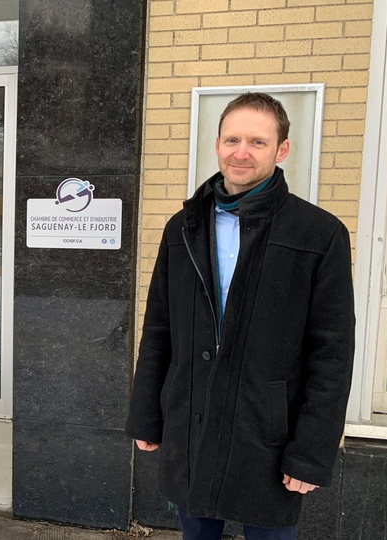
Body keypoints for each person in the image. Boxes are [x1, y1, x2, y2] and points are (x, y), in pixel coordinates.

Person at [125, 93, 355, 539]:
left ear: (281, 149)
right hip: (192, 425)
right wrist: (146, 415)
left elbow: (332, 352)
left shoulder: (319, 233)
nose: (241, 152)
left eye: (257, 141)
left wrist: (312, 452)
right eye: (232, 139)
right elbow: (158, 330)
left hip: (268, 435)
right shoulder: (183, 227)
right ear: (217, 145)